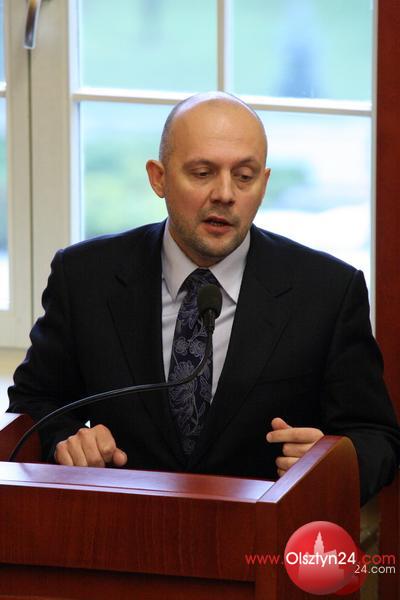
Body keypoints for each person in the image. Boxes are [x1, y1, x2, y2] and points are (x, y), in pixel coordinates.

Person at [8, 91, 400, 505]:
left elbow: (377, 438)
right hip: (118, 528)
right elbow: (34, 404)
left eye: (244, 176)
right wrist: (67, 440)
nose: (225, 194)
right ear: (158, 177)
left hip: (264, 535)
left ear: (264, 184)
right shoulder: (86, 277)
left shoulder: (327, 291)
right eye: (202, 173)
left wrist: (332, 463)